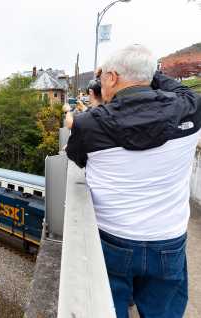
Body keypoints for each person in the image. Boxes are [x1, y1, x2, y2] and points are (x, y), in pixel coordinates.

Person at [65, 44, 201, 318]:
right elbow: (179, 90)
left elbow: (77, 158)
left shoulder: (89, 124)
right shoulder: (191, 109)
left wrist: (93, 111)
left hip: (113, 240)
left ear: (112, 78)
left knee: (107, 309)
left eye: (103, 76)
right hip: (169, 241)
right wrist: (146, 72)